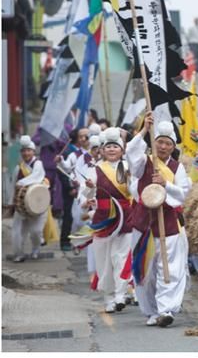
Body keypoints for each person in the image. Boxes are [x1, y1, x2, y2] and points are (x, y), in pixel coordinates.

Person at [126, 112, 191, 328]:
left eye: (167, 144)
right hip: (144, 222)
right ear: (153, 143)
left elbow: (181, 193)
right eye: (159, 142)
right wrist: (144, 128)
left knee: (168, 268)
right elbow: (130, 153)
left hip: (168, 222)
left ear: (173, 147)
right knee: (146, 270)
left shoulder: (177, 168)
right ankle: (151, 310)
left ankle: (166, 309)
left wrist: (165, 184)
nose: (163, 147)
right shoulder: (143, 161)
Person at [80, 127, 133, 313]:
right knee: (103, 261)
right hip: (103, 219)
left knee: (121, 257)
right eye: (108, 147)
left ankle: (120, 294)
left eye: (115, 146)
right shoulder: (96, 169)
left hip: (125, 218)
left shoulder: (128, 167)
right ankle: (108, 298)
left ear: (122, 149)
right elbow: (87, 193)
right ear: (102, 150)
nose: (111, 150)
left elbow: (134, 191)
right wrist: (89, 188)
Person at [8, 136, 48, 262]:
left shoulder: (38, 164)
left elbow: (37, 177)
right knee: (17, 231)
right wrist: (11, 203)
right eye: (24, 151)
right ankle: (18, 253)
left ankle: (36, 249)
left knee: (36, 231)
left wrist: (22, 182)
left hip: (37, 204)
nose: (26, 153)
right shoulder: (18, 168)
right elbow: (13, 186)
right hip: (21, 206)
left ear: (33, 151)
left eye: (28, 150)